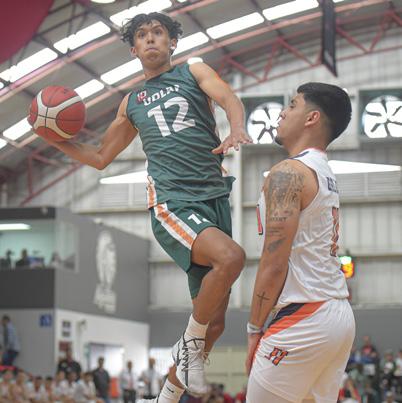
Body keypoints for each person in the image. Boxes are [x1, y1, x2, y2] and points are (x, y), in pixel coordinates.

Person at [34, 11, 251, 403]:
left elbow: (229, 98)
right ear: (133, 49)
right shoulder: (131, 102)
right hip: (173, 202)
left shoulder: (193, 70)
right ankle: (189, 346)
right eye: (142, 35)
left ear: (172, 42)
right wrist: (54, 138)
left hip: (214, 198)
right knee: (231, 257)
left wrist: (237, 127)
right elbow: (100, 156)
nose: (150, 38)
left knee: (215, 324)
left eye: (158, 32)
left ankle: (165, 397)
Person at [246, 82, 355, 402]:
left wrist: (254, 329)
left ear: (312, 118)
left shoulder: (289, 173)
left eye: (292, 105)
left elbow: (274, 262)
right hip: (337, 313)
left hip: (305, 314)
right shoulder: (323, 172)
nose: (282, 112)